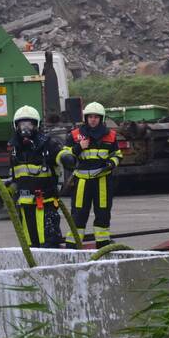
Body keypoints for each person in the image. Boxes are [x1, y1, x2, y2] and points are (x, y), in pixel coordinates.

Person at [0, 105, 64, 248]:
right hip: (26, 207)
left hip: (46, 204)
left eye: (29, 124)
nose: (25, 128)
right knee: (30, 244)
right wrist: (1, 195)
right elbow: (17, 181)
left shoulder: (48, 144)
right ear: (16, 126)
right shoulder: (15, 150)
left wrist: (67, 157)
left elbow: (60, 156)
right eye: (22, 124)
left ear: (36, 125)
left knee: (49, 243)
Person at [56, 102, 122, 248]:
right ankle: (73, 246)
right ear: (86, 118)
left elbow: (117, 155)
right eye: (90, 117)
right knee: (78, 214)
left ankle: (103, 244)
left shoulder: (110, 136)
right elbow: (65, 156)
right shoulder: (75, 135)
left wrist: (111, 163)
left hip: (102, 180)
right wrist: (79, 147)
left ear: (101, 118)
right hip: (81, 181)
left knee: (103, 213)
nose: (93, 120)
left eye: (96, 117)